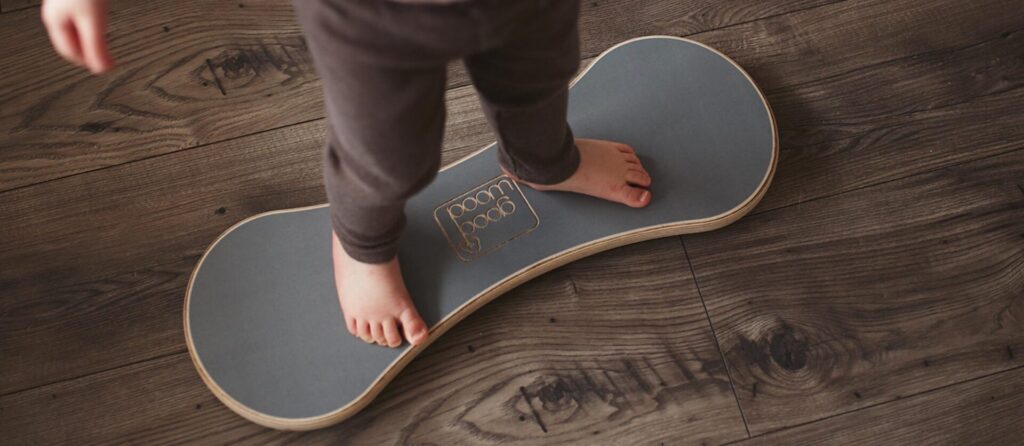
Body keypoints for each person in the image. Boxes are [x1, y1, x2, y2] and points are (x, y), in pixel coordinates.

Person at [42, 0, 652, 349]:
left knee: (539, 82)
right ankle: (362, 246)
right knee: (388, 158)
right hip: (373, 16)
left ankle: (543, 162)